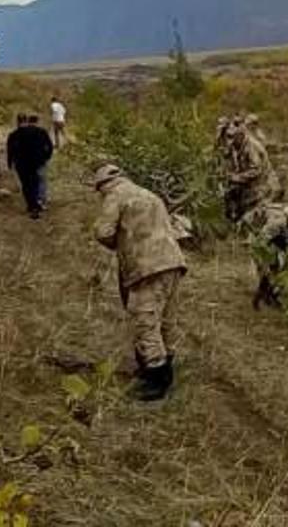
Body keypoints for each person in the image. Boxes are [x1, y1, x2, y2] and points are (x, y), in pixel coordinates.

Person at [92, 164, 187, 401]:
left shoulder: (115, 195)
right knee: (166, 318)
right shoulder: (148, 193)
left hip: (147, 266)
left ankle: (156, 378)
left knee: (145, 321)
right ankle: (166, 364)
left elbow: (103, 231)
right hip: (173, 261)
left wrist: (121, 244)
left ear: (103, 185)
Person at [224, 120, 278, 222]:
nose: (229, 141)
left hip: (263, 186)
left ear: (240, 135)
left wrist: (236, 177)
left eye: (232, 137)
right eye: (228, 136)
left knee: (253, 218)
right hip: (250, 185)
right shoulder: (236, 146)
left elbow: (256, 170)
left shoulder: (251, 147)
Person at [7, 114, 54, 219]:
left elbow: (10, 150)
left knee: (26, 185)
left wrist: (10, 163)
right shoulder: (39, 131)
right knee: (35, 183)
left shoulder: (14, 134)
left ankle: (31, 205)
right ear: (26, 120)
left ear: (17, 121)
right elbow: (49, 146)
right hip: (36, 162)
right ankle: (36, 205)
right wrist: (46, 157)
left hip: (21, 164)